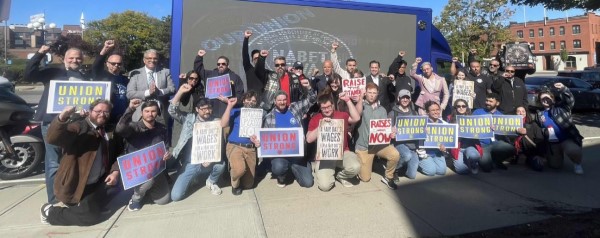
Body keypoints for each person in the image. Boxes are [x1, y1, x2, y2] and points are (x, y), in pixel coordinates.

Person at [25, 45, 89, 204]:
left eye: (78, 58)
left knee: (71, 161)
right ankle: (54, 202)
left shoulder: (84, 76)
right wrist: (40, 53)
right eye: (71, 58)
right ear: (64, 59)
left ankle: (68, 195)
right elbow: (29, 74)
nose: (75, 60)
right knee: (53, 162)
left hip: (75, 125)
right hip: (52, 123)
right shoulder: (53, 72)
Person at [40, 100, 120, 226]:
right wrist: (62, 117)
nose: (102, 114)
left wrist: (115, 171)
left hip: (98, 181)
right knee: (90, 217)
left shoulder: (108, 130)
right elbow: (53, 137)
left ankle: (92, 206)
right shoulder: (79, 127)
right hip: (79, 185)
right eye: (98, 111)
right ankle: (50, 212)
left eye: (106, 111)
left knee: (117, 189)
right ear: (90, 111)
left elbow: (117, 153)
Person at [168, 85, 237, 201]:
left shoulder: (214, 120)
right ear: (196, 109)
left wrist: (229, 106)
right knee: (176, 196)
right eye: (203, 108)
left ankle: (211, 181)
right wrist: (180, 92)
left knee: (221, 165)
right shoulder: (189, 119)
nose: (207, 111)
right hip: (191, 162)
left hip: (209, 160)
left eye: (209, 108)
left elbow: (224, 124)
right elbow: (172, 111)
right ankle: (193, 177)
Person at [257, 77, 315, 188]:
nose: (282, 102)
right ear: (275, 101)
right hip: (280, 156)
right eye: (279, 100)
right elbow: (265, 141)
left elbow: (312, 99)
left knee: (308, 183)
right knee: (278, 167)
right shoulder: (269, 117)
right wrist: (259, 143)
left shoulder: (294, 107)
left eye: (284, 99)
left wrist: (308, 87)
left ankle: (296, 167)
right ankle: (282, 176)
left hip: (297, 155)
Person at [115, 99, 171, 211]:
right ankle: (135, 198)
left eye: (153, 111)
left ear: (157, 112)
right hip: (137, 172)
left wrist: (167, 154)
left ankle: (147, 190)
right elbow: (119, 129)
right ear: (141, 113)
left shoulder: (162, 128)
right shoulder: (133, 128)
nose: (150, 114)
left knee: (163, 201)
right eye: (147, 111)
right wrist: (130, 109)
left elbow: (166, 146)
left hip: (156, 169)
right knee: (149, 180)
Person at [307, 94, 361, 191]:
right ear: (320, 108)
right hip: (325, 156)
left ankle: (340, 175)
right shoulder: (315, 118)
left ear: (333, 105)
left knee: (355, 167)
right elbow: (309, 139)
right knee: (324, 186)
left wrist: (348, 100)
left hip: (343, 152)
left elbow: (356, 118)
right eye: (323, 108)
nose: (327, 110)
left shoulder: (342, 115)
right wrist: (321, 126)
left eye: (328, 107)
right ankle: (327, 172)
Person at [355, 83, 400, 189]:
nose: (371, 95)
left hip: (378, 145)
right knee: (365, 178)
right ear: (365, 93)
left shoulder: (382, 110)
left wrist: (390, 132)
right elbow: (357, 114)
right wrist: (360, 98)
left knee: (395, 154)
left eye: (374, 93)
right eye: (369, 92)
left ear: (377, 94)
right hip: (364, 146)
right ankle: (369, 163)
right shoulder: (361, 105)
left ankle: (388, 177)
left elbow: (384, 129)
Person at [533, 83, 584, 174]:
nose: (545, 100)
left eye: (547, 98)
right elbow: (537, 128)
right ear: (540, 101)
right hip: (552, 143)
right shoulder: (539, 114)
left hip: (566, 138)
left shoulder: (561, 107)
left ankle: (577, 163)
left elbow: (570, 101)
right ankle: (556, 156)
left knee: (573, 150)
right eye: (542, 99)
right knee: (555, 166)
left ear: (552, 98)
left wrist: (564, 89)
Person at [221, 91, 262, 195]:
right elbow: (223, 124)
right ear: (243, 100)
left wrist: (258, 142)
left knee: (249, 184)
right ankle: (235, 183)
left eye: (253, 101)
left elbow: (262, 134)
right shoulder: (235, 111)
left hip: (251, 148)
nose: (251, 102)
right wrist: (229, 106)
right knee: (239, 170)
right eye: (248, 100)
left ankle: (238, 172)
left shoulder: (260, 115)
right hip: (235, 146)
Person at [472, 93, 524, 172]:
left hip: (496, 143)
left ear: (497, 103)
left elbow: (508, 130)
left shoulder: (501, 116)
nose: (487, 103)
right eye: (487, 100)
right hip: (482, 144)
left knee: (512, 149)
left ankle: (496, 160)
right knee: (487, 168)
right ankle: (490, 161)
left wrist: (517, 130)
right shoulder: (477, 112)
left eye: (490, 101)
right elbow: (470, 127)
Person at [126, 49, 175, 124]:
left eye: (155, 58)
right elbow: (129, 93)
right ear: (144, 60)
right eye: (149, 58)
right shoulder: (136, 74)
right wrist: (148, 92)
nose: (152, 60)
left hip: (159, 114)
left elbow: (172, 89)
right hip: (140, 114)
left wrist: (160, 92)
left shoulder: (165, 72)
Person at [195, 49, 245, 117]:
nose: (220, 65)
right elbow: (198, 70)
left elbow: (240, 95)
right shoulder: (210, 75)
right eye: (218, 64)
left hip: (228, 114)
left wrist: (228, 101)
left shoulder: (235, 77)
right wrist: (199, 57)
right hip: (211, 114)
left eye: (223, 64)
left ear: (228, 65)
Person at [91, 40, 129, 124]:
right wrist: (105, 49)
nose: (116, 65)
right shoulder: (101, 76)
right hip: (106, 118)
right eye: (113, 63)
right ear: (107, 64)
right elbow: (96, 66)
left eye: (119, 64)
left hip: (123, 118)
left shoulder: (125, 79)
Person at [388, 89, 420, 182]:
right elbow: (388, 131)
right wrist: (391, 132)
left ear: (410, 100)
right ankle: (394, 170)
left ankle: (402, 165)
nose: (405, 100)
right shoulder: (393, 113)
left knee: (412, 175)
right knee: (406, 155)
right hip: (399, 143)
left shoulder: (414, 113)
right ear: (398, 98)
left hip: (412, 145)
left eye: (407, 98)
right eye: (403, 98)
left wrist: (423, 129)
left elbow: (419, 129)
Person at [447, 99, 482, 175]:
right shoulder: (450, 118)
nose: (461, 108)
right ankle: (465, 161)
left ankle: (473, 164)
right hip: (457, 148)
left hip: (470, 146)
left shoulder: (473, 118)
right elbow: (446, 133)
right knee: (461, 170)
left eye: (463, 106)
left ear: (467, 107)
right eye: (458, 106)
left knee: (474, 156)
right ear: (455, 108)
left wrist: (489, 128)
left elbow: (482, 130)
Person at [418, 101, 448, 176]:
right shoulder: (422, 123)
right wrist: (422, 132)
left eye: (437, 109)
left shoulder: (445, 124)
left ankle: (432, 162)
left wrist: (445, 147)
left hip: (438, 151)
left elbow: (448, 141)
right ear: (427, 112)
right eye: (433, 110)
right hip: (425, 153)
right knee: (431, 172)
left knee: (442, 171)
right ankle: (418, 164)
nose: (436, 112)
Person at [514, 106, 545, 171]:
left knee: (538, 165)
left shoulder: (533, 125)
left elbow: (540, 140)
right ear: (515, 113)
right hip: (515, 151)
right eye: (518, 111)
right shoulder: (509, 125)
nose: (521, 113)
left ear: (526, 113)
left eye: (523, 111)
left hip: (531, 151)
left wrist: (527, 132)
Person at [242, 30, 266, 94]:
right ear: (252, 60)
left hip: (263, 101)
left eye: (259, 58)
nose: (257, 60)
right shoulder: (249, 69)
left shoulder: (266, 72)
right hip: (251, 100)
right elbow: (245, 55)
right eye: (255, 58)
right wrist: (246, 39)